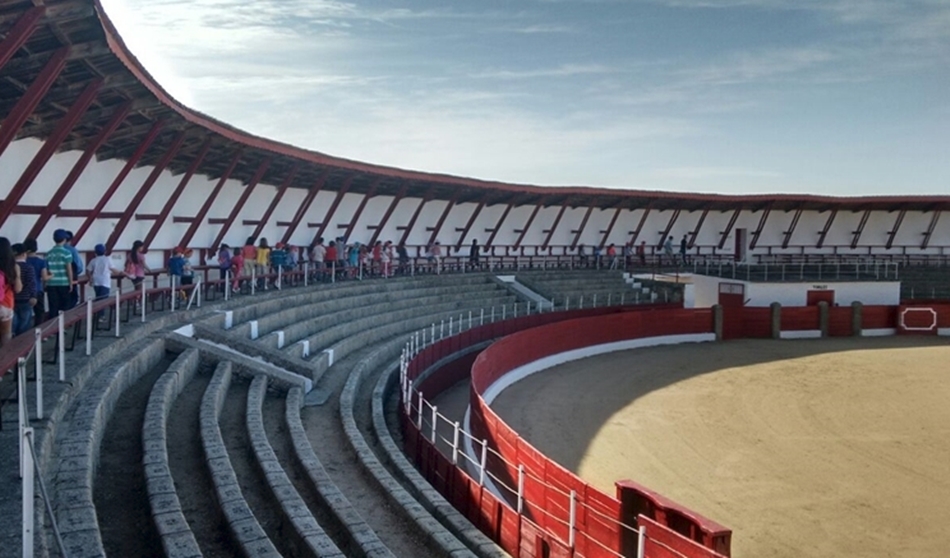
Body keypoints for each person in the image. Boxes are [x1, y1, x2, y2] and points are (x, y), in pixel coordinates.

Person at [46, 230, 74, 320]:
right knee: (64, 306)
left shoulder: (48, 253)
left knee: (53, 306)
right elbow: (69, 269)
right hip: (63, 282)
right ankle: (61, 326)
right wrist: (71, 283)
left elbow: (46, 270)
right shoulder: (66, 253)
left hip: (51, 283)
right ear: (65, 239)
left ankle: (52, 326)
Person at [0, 237, 22, 346]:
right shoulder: (12, 266)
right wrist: (17, 275)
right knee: (6, 335)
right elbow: (18, 289)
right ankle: (4, 360)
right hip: (6, 304)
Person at [12, 243, 36, 336]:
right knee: (24, 325)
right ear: (24, 254)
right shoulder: (28, 267)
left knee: (13, 324)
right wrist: (33, 295)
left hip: (12, 299)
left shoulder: (9, 268)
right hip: (25, 299)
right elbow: (31, 283)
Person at [24, 238, 48, 326]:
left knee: (25, 314)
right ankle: (39, 332)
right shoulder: (41, 262)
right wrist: (51, 276)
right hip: (38, 289)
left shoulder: (24, 262)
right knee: (39, 312)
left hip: (24, 290)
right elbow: (44, 277)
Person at [64, 231, 83, 309]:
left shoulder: (52, 252)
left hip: (56, 281)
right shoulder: (72, 250)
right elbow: (79, 267)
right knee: (72, 300)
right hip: (71, 279)